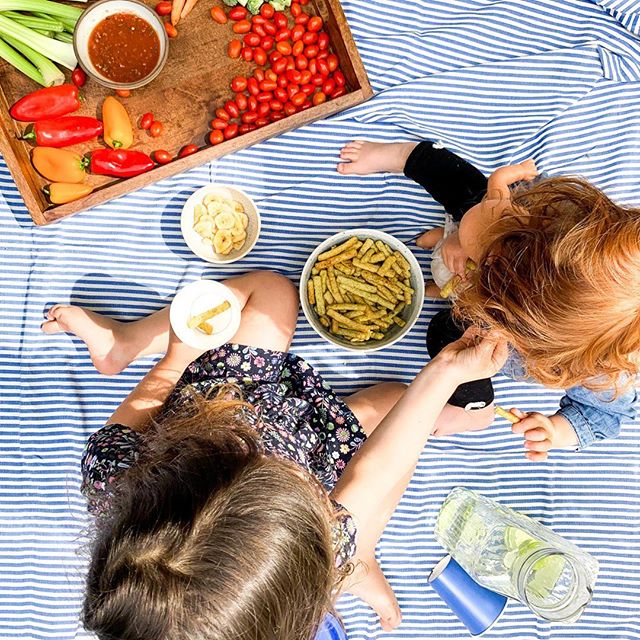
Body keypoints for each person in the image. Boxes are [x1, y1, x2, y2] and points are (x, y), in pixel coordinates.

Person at [42, 270, 509, 640]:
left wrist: (177, 358)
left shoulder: (112, 480)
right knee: (393, 403)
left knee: (270, 291)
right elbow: (376, 469)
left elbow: (151, 396)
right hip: (318, 477)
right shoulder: (310, 555)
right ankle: (359, 560)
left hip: (221, 398)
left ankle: (125, 344)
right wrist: (444, 374)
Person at [337, 140, 639, 460]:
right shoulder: (556, 217)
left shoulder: (601, 376)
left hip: (489, 332)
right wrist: (461, 236)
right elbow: (501, 201)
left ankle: (473, 410)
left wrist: (556, 431)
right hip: (511, 258)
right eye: (504, 207)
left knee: (444, 333)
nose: (499, 198)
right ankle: (400, 156)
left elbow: (605, 419)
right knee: (467, 188)